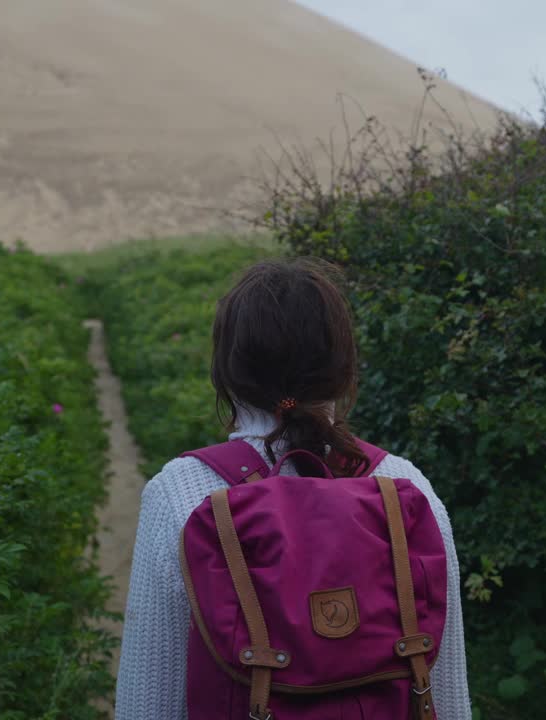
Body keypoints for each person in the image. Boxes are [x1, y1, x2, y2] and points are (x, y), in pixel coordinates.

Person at [114, 258, 471, 719]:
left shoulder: (181, 495)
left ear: (226, 371)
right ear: (343, 370)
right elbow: (446, 699)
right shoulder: (405, 487)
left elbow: (148, 706)